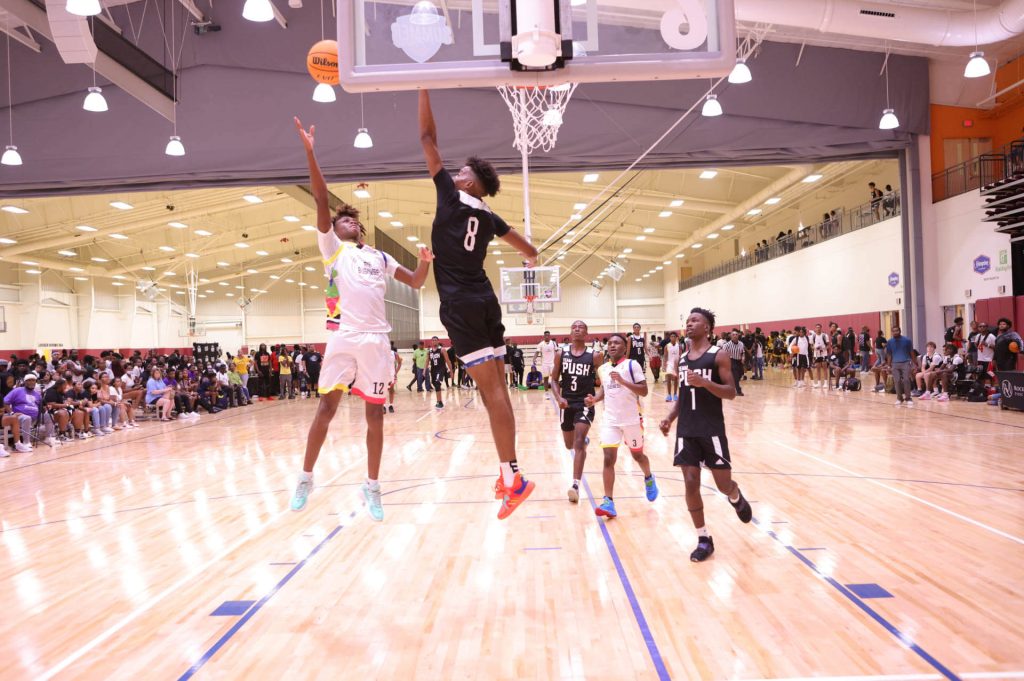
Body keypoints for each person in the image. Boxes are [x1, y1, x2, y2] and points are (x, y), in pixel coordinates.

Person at [290, 117, 433, 521]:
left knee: (375, 414)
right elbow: (321, 200)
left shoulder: (379, 256)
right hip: (344, 335)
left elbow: (417, 282)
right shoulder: (334, 250)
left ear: (361, 228)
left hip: (376, 340)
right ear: (333, 230)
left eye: (353, 220)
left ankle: (372, 486)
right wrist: (310, 152)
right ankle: (306, 475)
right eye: (342, 221)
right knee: (327, 409)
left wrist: (425, 263)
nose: (348, 222)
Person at [419, 89, 539, 519]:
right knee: (498, 394)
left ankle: (514, 477)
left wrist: (423, 86)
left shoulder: (451, 197)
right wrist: (529, 258)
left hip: (460, 304)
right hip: (486, 301)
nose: (454, 172)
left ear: (469, 182)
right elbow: (530, 250)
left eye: (461, 170)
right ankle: (508, 475)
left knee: (493, 395)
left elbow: (427, 137)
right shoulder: (488, 216)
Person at [659, 308, 752, 563]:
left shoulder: (718, 355)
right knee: (690, 483)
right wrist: (669, 417)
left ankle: (735, 496)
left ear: (707, 327)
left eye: (695, 320)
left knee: (723, 485)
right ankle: (703, 538)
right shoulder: (684, 359)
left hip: (711, 429)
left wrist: (706, 383)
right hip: (687, 430)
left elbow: (731, 392)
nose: (689, 324)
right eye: (687, 320)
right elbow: (683, 396)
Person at [585, 333, 657, 518]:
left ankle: (649, 477)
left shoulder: (632, 365)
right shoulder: (603, 368)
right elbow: (604, 390)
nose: (612, 346)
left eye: (617, 343)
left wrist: (623, 381)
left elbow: (644, 390)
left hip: (632, 419)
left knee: (638, 456)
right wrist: (594, 399)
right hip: (610, 420)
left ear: (625, 347)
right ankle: (608, 502)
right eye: (609, 343)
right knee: (608, 459)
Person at [550, 320, 602, 503]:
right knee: (569, 445)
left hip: (585, 404)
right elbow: (554, 380)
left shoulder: (595, 356)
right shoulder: (560, 353)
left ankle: (575, 485)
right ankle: (583, 442)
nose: (577, 329)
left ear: (586, 332)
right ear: (570, 332)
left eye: (581, 327)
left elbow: (604, 382)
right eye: (574, 327)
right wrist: (559, 398)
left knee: (578, 443)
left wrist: (596, 398)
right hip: (567, 404)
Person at [3, 373, 43, 452]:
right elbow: (5, 402)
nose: (31, 382)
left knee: (47, 415)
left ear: (35, 382)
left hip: (34, 418)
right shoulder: (18, 390)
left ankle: (50, 437)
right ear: (25, 382)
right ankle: (26, 442)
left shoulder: (37, 394)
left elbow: (40, 407)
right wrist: (11, 413)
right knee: (26, 418)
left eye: (33, 380)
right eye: (29, 380)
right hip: (19, 417)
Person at [886, 325, 915, 407]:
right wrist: (888, 366)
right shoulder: (890, 342)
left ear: (900, 331)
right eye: (893, 331)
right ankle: (899, 398)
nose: (895, 332)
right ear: (891, 332)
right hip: (895, 363)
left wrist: (914, 364)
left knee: (906, 380)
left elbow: (911, 352)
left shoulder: (907, 340)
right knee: (897, 381)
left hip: (906, 362)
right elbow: (889, 354)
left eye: (897, 331)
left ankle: (908, 398)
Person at [427, 337, 453, 409]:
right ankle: (438, 401)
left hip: (441, 369)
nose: (434, 341)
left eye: (436, 340)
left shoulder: (442, 350)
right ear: (431, 342)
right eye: (433, 340)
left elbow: (448, 361)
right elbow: (427, 361)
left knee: (437, 383)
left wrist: (451, 371)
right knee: (434, 383)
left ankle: (440, 402)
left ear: (438, 341)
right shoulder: (429, 351)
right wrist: (424, 370)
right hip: (433, 370)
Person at [722, 331, 746, 397]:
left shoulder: (741, 343)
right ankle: (738, 391)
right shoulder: (727, 345)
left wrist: (743, 358)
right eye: (733, 335)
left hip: (739, 361)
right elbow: (723, 355)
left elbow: (743, 352)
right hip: (731, 361)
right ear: (731, 336)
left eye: (736, 334)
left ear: (738, 336)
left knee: (740, 374)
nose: (735, 336)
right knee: (735, 376)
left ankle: (731, 385)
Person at [663, 331, 682, 401]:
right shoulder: (667, 346)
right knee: (668, 379)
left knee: (676, 379)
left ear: (676, 338)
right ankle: (669, 395)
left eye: (674, 336)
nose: (673, 338)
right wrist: (664, 365)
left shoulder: (679, 345)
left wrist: (680, 364)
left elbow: (681, 355)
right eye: (671, 336)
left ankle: (675, 394)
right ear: (670, 338)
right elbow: (665, 356)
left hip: (677, 364)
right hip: (669, 363)